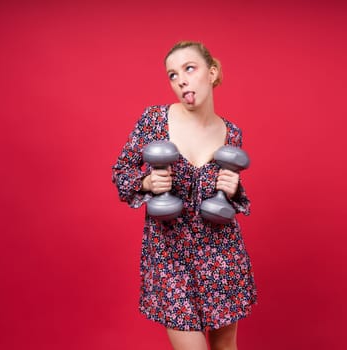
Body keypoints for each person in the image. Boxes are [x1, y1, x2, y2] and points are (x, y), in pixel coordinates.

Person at [112, 41, 257, 350]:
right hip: (169, 256)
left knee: (225, 348)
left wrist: (233, 189)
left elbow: (226, 200)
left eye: (189, 68)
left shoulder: (232, 133)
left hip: (221, 255)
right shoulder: (154, 121)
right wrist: (148, 182)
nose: (181, 80)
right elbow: (121, 174)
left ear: (211, 73)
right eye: (173, 74)